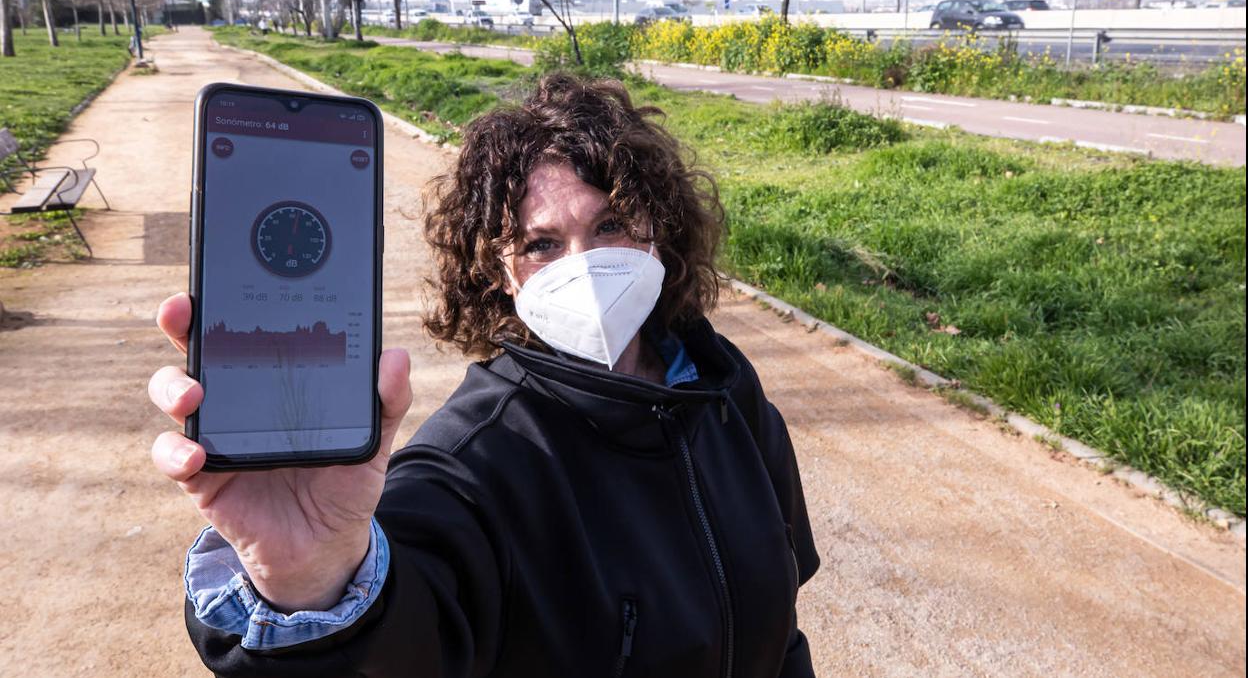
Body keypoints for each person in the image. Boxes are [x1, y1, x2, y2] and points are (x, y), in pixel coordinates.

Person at [149, 72, 820, 677]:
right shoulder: (477, 459)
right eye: (542, 245)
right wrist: (313, 575)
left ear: (658, 229)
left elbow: (780, 621)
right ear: (497, 272)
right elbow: (406, 638)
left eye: (611, 223)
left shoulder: (724, 389)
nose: (581, 266)